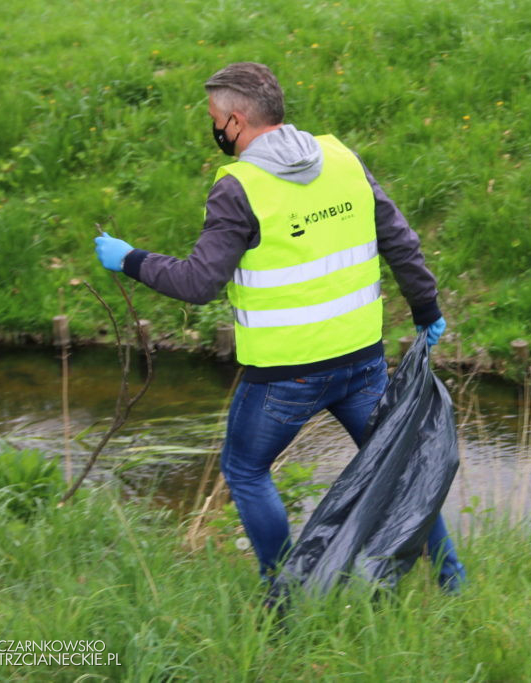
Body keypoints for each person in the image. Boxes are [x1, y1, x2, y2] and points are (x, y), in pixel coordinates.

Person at [94, 62, 465, 592]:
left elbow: (200, 282)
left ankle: (282, 592)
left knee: (244, 471)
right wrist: (427, 311)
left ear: (236, 121)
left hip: (284, 376)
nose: (214, 131)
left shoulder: (238, 187)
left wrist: (129, 259)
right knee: (399, 469)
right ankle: (452, 578)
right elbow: (401, 242)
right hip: (361, 360)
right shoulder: (343, 160)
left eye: (214, 121)